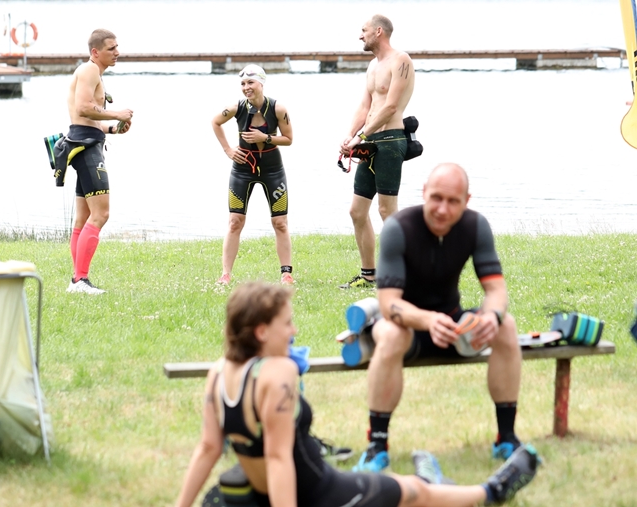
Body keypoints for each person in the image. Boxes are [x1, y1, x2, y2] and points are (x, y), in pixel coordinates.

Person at [175, 281, 540, 507]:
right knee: (414, 493)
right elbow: (278, 458)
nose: (294, 330)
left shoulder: (218, 373)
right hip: (320, 493)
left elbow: (208, 449)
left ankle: (445, 483)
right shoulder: (278, 371)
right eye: (286, 323)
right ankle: (491, 492)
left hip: (267, 495)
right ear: (261, 332)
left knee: (406, 488)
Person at [353, 163, 525, 475]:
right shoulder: (399, 227)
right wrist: (428, 320)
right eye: (436, 198)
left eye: (453, 201)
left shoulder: (475, 226)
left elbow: (496, 290)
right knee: (391, 334)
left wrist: (491, 315)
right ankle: (376, 447)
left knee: (506, 325)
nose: (442, 209)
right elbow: (389, 303)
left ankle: (507, 439)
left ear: (466, 201)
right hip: (406, 327)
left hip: (452, 326)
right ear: (424, 193)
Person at [339, 15, 415, 289]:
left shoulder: (401, 61)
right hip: (370, 143)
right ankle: (368, 275)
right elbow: (365, 106)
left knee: (386, 210)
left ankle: (406, 274)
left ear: (378, 31)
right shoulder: (372, 65)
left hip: (391, 141)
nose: (360, 36)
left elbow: (390, 107)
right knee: (357, 211)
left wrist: (361, 136)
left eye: (364, 30)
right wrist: (350, 136)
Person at [62, 28, 133, 295]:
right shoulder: (90, 70)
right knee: (101, 214)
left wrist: (113, 129)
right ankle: (80, 280)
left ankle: (77, 280)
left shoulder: (91, 72)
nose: (117, 52)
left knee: (83, 218)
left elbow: (84, 120)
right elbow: (83, 107)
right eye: (111, 48)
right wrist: (117, 113)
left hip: (84, 142)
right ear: (96, 52)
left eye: (117, 47)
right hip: (87, 149)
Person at [212, 65, 294, 286]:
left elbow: (289, 139)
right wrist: (228, 150)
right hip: (242, 170)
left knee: (280, 223)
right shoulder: (236, 108)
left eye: (250, 83)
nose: (246, 87)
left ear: (261, 83)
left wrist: (265, 137)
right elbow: (215, 122)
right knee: (235, 222)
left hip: (272, 169)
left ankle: (286, 273)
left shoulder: (277, 109)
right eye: (243, 84)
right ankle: (225, 275)